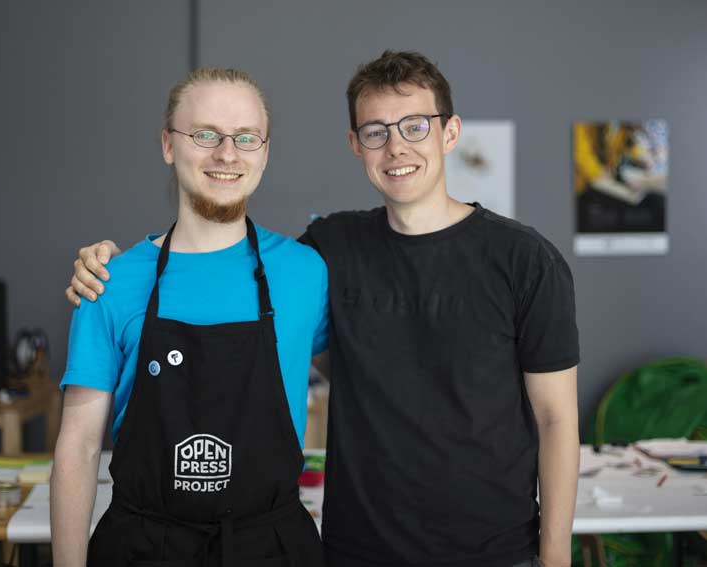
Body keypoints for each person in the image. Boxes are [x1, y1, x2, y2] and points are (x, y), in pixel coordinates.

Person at [67, 51, 580, 567]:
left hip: (494, 552)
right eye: (376, 130)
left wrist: (555, 556)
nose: (396, 145)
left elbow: (557, 419)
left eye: (415, 126)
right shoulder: (329, 250)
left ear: (450, 133)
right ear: (355, 145)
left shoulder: (524, 260)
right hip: (356, 549)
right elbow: (221, 265)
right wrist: (111, 265)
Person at [51, 67, 330, 567]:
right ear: (167, 145)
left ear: (264, 151)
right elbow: (78, 447)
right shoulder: (109, 281)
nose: (227, 154)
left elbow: (368, 375)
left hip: (272, 548)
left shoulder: (305, 272)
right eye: (205, 135)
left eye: (246, 138)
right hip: (143, 548)